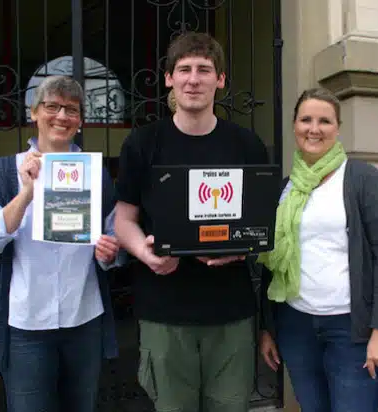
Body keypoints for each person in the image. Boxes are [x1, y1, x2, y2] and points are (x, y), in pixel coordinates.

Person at [114, 32, 268, 412]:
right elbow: (123, 219)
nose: (193, 79)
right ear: (169, 78)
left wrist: (240, 250)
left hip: (230, 313)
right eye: (183, 69)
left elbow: (262, 224)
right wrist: (144, 253)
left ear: (221, 80)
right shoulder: (143, 143)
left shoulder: (246, 145)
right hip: (165, 312)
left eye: (204, 70)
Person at [0, 75, 120, 412]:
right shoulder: (3, 171)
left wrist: (110, 253)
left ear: (80, 120)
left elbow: (115, 239)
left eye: (71, 109)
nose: (61, 116)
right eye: (52, 107)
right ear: (34, 113)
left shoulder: (95, 174)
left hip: (84, 319)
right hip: (27, 324)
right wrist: (25, 193)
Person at [258, 87, 378, 412]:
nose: (314, 128)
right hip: (296, 325)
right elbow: (271, 263)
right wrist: (269, 328)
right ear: (294, 125)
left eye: (324, 121)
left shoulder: (362, 179)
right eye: (306, 119)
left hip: (351, 329)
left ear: (337, 128)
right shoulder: (286, 188)